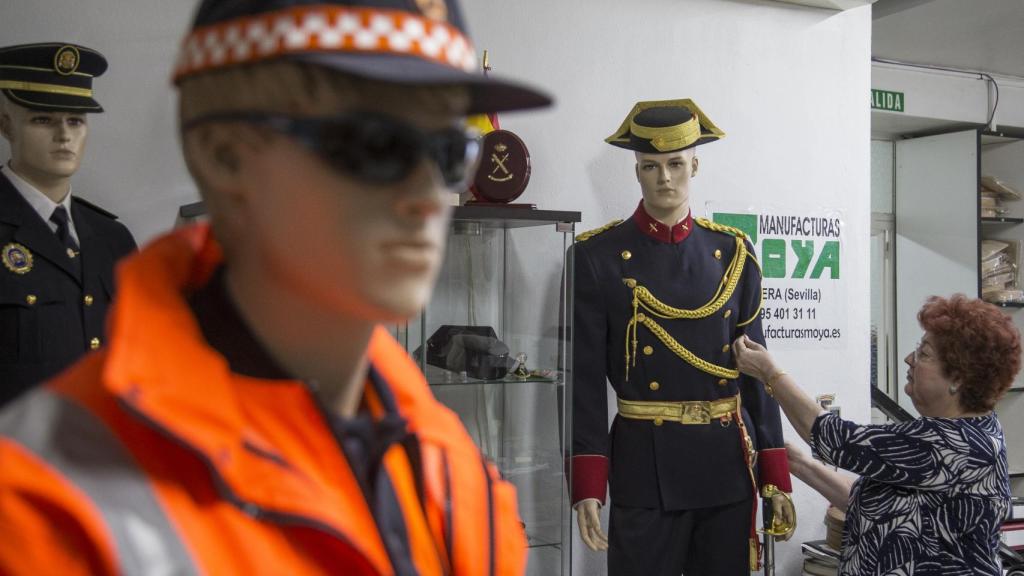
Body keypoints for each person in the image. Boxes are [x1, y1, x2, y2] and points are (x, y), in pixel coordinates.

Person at [0, 1, 551, 574]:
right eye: (372, 144)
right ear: (224, 154)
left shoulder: (451, 467)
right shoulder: (48, 502)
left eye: (446, 150)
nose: (424, 194)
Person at [571, 99, 794, 575]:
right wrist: (589, 483)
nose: (664, 177)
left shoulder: (733, 252)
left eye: (675, 164)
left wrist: (775, 475)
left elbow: (755, 372)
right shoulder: (598, 256)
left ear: (695, 164)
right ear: (636, 171)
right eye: (650, 166)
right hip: (645, 466)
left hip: (725, 464)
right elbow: (586, 382)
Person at [733, 294, 1018, 576]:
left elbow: (834, 438)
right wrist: (797, 463)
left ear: (958, 378)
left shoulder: (960, 445)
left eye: (924, 353)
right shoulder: (957, 433)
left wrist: (769, 373)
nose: (910, 358)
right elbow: (867, 500)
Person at [0, 43, 136, 404]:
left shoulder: (113, 239)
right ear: (5, 124)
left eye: (75, 120)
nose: (64, 135)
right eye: (42, 119)